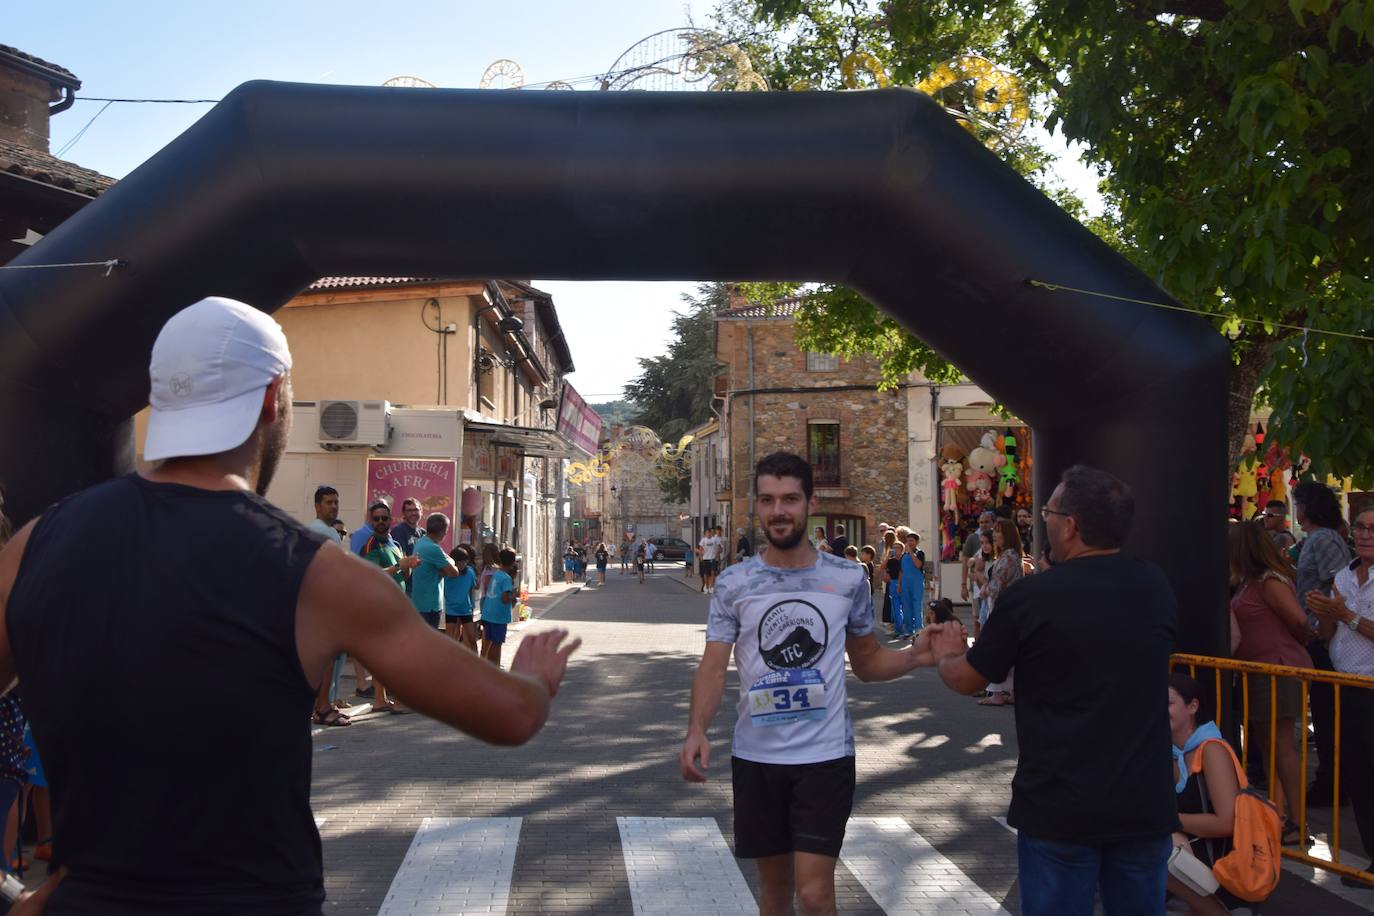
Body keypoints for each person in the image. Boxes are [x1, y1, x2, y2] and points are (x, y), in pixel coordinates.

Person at [0, 296, 580, 915]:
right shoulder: (317, 574)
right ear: (275, 399)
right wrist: (534, 681)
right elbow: (509, 716)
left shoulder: (34, 544)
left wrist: (12, 897)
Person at [678, 451, 955, 916]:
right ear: (758, 507)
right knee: (774, 894)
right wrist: (696, 730)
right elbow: (712, 665)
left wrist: (915, 657)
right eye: (767, 500)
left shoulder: (847, 579)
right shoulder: (734, 583)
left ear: (809, 503)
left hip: (825, 760)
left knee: (814, 894)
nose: (777, 510)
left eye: (789, 498)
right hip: (756, 758)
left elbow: (866, 662)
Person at [932, 464, 1179, 916]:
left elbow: (969, 678)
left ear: (1070, 526)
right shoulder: (1154, 585)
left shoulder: (1032, 597)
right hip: (1143, 802)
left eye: (1047, 512)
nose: (1043, 521)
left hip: (1060, 806)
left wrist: (946, 653)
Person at [1228, 519, 1312, 844]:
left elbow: (1300, 621)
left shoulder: (1268, 581)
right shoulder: (1250, 581)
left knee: (1281, 744)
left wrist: (1293, 645)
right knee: (1267, 745)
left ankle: (1298, 822)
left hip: (1278, 669)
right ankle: (1277, 814)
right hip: (1259, 671)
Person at [1307, 503, 1374, 887]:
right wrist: (1326, 615)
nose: (1364, 534)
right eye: (1360, 527)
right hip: (1344, 687)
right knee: (1359, 777)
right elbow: (1329, 635)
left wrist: (1344, 613)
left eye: (1372, 529)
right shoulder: (1342, 576)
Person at [1291, 480, 1353, 806]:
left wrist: (1321, 626)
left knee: (1330, 715)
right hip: (1317, 634)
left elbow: (1338, 585)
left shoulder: (1325, 538)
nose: (1296, 510)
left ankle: (1334, 783)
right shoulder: (1316, 539)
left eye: (1297, 504)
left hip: (1326, 636)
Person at [1167, 673, 1245, 916]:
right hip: (1196, 851)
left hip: (1227, 860)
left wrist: (1167, 821)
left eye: (1168, 703)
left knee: (1154, 844)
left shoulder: (1211, 749)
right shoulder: (1170, 751)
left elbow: (1227, 822)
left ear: (1193, 706)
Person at [359, 500, 421, 714]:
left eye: (385, 518)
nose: (381, 522)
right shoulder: (370, 545)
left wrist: (409, 566)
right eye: (376, 518)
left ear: (391, 519)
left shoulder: (394, 543)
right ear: (371, 520)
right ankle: (394, 700)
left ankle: (381, 699)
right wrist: (399, 566)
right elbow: (371, 575)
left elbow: (402, 572)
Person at [307, 486, 350, 727]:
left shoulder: (323, 531)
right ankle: (322, 707)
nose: (333, 506)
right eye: (328, 502)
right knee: (326, 658)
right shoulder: (322, 532)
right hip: (322, 604)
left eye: (336, 502)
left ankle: (323, 705)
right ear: (317, 506)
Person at [977, 518, 1024, 708]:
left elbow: (996, 587)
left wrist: (984, 586)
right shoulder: (1012, 556)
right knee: (1011, 653)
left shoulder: (1007, 557)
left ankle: (996, 693)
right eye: (994, 531)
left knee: (996, 651)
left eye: (998, 531)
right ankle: (1013, 691)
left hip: (1002, 610)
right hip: (1011, 609)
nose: (994, 534)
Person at [411, 513, 458, 631]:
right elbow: (454, 572)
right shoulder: (433, 548)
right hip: (430, 606)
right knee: (427, 644)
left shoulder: (421, 542)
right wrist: (445, 567)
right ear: (443, 531)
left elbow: (447, 563)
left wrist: (443, 568)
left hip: (420, 603)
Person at [480, 548, 518, 667]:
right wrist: (513, 595)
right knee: (497, 643)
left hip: (488, 613)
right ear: (512, 563)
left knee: (489, 641)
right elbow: (505, 598)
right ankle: (494, 667)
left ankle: (490, 666)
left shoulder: (496, 574)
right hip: (498, 616)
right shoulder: (506, 578)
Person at [444, 545, 479, 651]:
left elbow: (471, 590)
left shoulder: (470, 572)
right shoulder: (448, 572)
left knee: (472, 639)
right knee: (450, 640)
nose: (463, 564)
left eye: (465, 561)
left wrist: (472, 606)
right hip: (451, 609)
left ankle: (475, 662)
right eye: (460, 562)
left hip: (465, 610)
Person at [960, 511, 996, 604]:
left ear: (993, 523)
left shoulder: (997, 538)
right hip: (977, 586)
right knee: (978, 616)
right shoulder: (972, 538)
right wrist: (964, 586)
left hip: (994, 586)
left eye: (987, 522)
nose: (983, 525)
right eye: (981, 522)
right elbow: (965, 563)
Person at [898, 531, 925, 641]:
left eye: (911, 541)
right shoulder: (904, 555)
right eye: (908, 541)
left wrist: (911, 553)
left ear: (917, 542)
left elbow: (918, 565)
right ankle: (908, 630)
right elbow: (901, 571)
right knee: (906, 607)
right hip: (905, 583)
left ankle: (919, 629)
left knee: (917, 605)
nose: (909, 543)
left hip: (916, 583)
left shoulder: (920, 553)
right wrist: (899, 584)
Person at [699, 526, 722, 595]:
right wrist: (701, 557)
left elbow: (719, 548)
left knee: (713, 573)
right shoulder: (703, 540)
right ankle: (706, 586)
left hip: (713, 559)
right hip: (705, 559)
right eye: (707, 533)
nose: (708, 534)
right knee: (705, 574)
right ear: (705, 534)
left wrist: (717, 556)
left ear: (711, 533)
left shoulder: (715, 539)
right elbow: (700, 549)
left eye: (709, 533)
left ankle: (711, 587)